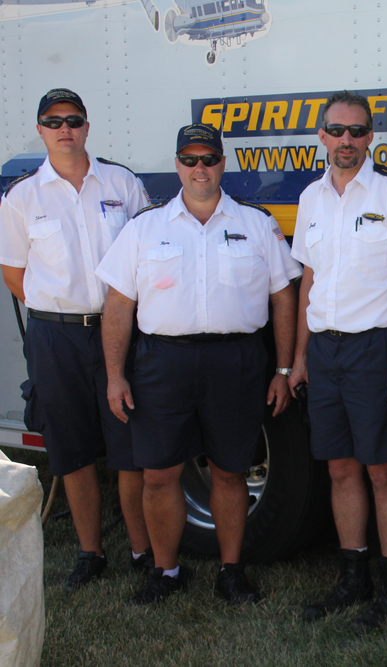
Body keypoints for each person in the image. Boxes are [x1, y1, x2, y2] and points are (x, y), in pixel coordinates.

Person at [96, 123, 301, 605]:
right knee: (159, 473)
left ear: (222, 163)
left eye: (208, 158)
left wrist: (284, 369)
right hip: (161, 363)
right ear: (177, 166)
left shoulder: (256, 223)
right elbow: (119, 305)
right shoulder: (145, 227)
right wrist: (114, 374)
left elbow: (284, 299)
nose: (199, 168)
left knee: (230, 472)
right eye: (189, 159)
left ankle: (232, 571)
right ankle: (166, 572)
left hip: (236, 361)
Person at [0, 88, 153, 591]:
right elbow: (15, 274)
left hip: (117, 331)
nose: (64, 128)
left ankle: (140, 550)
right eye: (53, 120)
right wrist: (60, 310)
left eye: (73, 119)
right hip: (55, 337)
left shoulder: (122, 183)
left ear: (87, 127)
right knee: (72, 451)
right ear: (41, 130)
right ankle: (91, 553)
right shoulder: (22, 197)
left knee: (129, 447)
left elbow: (146, 256)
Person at [290, 91, 387, 632]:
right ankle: (354, 579)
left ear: (371, 137)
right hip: (325, 349)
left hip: (376, 349)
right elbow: (309, 279)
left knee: (382, 470)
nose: (347, 140)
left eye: (357, 131)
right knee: (340, 467)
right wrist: (299, 357)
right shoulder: (310, 198)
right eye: (337, 130)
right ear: (322, 136)